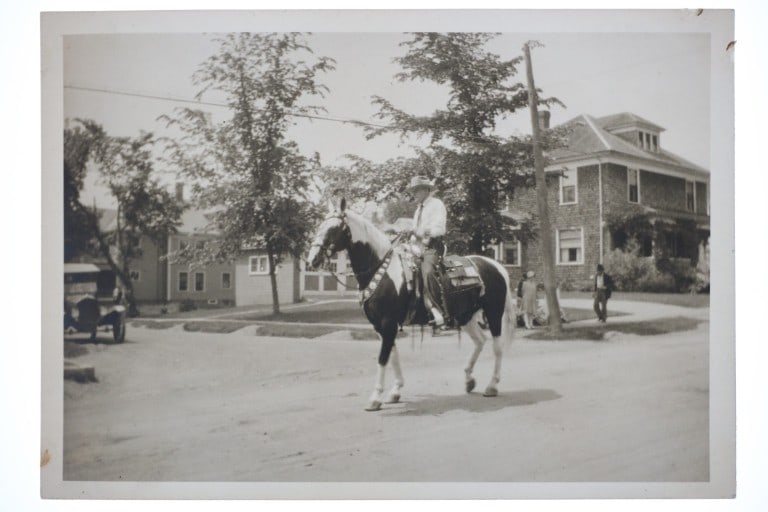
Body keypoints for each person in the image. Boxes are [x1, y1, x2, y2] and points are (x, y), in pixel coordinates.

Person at [408, 175, 448, 327]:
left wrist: (419, 233)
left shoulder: (436, 205)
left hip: (433, 246)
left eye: (416, 191)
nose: (414, 194)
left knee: (428, 271)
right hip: (417, 247)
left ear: (425, 190)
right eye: (413, 191)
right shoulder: (418, 210)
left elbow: (438, 229)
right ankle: (414, 311)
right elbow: (415, 230)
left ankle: (440, 312)